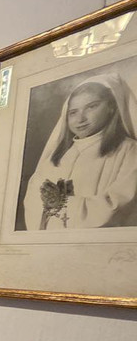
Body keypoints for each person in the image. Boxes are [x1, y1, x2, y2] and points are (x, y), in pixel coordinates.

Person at [22, 73, 137, 230]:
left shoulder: (129, 150)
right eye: (73, 112)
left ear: (112, 107)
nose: (80, 119)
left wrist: (63, 203)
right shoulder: (57, 156)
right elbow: (33, 198)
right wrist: (46, 202)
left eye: (91, 107)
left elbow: (120, 204)